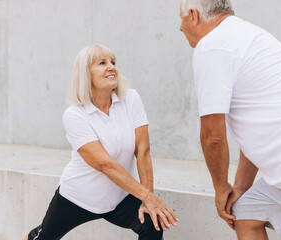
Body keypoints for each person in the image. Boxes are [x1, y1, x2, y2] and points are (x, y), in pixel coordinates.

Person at [179, 0, 281, 239]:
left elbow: (213, 137)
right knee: (244, 214)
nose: (181, 28)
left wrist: (220, 188)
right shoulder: (252, 35)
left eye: (181, 19)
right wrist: (240, 188)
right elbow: (255, 131)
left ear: (193, 16)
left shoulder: (211, 46)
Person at [24, 44, 178, 240]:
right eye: (102, 63)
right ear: (85, 74)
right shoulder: (74, 115)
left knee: (152, 223)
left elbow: (143, 151)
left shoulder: (131, 99)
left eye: (113, 62)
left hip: (119, 196)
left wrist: (148, 200)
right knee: (43, 238)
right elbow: (104, 164)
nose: (111, 67)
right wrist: (147, 197)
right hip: (79, 197)